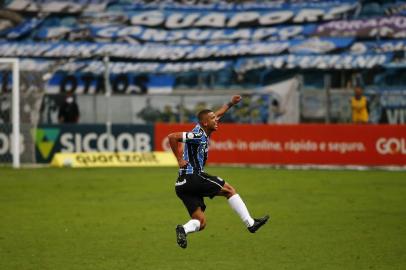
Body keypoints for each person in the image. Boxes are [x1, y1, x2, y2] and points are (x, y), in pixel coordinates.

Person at [168, 95, 269, 249]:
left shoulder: (201, 127)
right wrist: (179, 160)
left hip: (181, 185)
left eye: (216, 118)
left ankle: (183, 229)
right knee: (229, 190)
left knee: (200, 222)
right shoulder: (198, 135)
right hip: (193, 176)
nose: (217, 120)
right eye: (213, 119)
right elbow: (172, 137)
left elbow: (218, 114)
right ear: (205, 123)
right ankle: (250, 223)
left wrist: (230, 103)